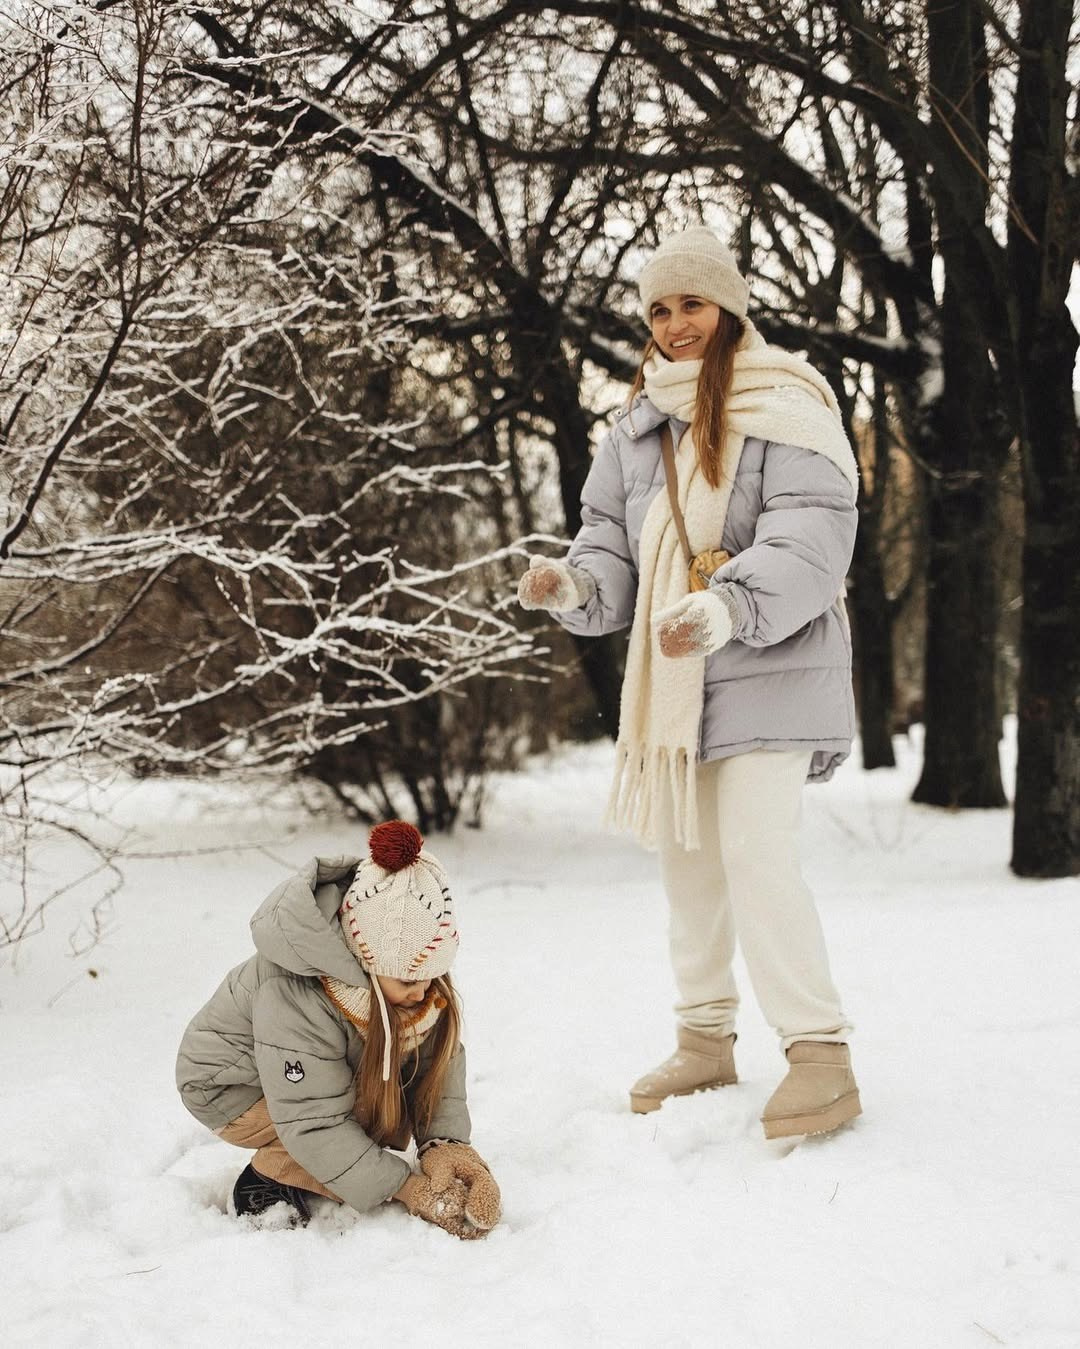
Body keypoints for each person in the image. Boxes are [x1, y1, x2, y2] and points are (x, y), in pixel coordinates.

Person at [517, 226, 862, 1139]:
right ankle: (705, 1038)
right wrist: (576, 586)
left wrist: (725, 607)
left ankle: (821, 1054)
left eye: (693, 304)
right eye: (660, 309)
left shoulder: (789, 405)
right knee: (690, 862)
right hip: (674, 675)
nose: (676, 324)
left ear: (730, 307)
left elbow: (811, 537)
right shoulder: (635, 432)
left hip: (772, 660)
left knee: (755, 850)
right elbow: (608, 545)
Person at [176, 820, 500, 1236]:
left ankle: (333, 1160)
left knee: (381, 1103)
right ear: (367, 962)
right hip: (230, 1087)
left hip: (299, 1072)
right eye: (407, 980)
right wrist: (404, 1187)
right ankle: (268, 1180)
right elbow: (312, 1119)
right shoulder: (296, 992)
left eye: (433, 976)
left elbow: (434, 1069)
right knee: (367, 1116)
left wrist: (445, 1146)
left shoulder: (411, 984)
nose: (423, 990)